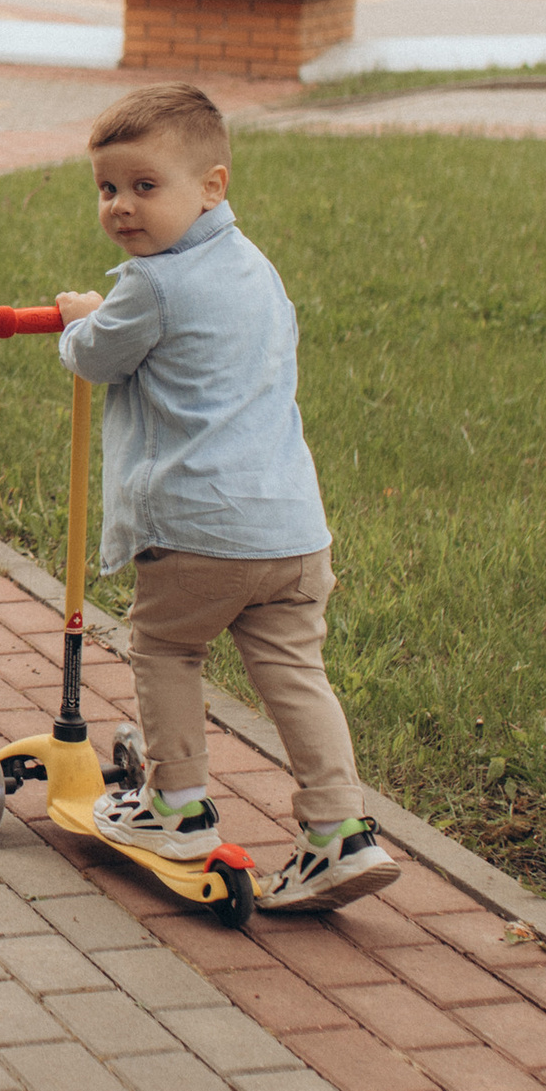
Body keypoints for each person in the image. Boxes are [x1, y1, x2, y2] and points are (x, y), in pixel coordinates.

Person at [54, 80, 393, 915]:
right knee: (293, 672)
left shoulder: (151, 284)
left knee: (167, 649)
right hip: (291, 530)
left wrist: (76, 317)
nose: (122, 209)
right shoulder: (255, 267)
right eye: (108, 189)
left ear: (212, 186)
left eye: (145, 186)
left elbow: (96, 357)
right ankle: (339, 831)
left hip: (200, 529)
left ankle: (175, 804)